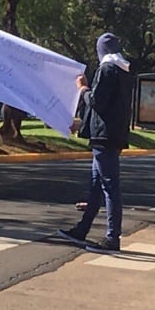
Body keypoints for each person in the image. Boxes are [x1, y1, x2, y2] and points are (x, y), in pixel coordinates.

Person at [57, 32, 134, 253]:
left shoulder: (107, 69)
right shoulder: (124, 71)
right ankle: (82, 229)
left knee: (109, 187)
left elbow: (97, 102)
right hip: (115, 133)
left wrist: (83, 89)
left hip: (104, 135)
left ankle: (112, 238)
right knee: (96, 186)